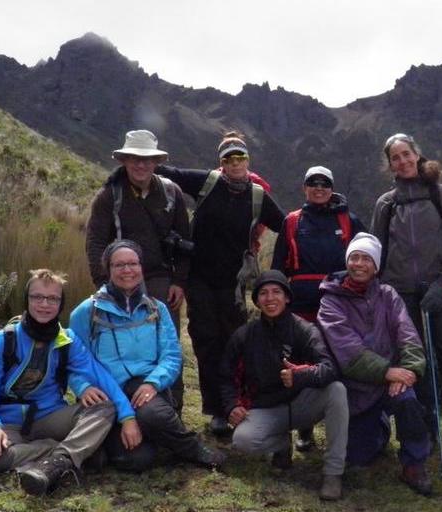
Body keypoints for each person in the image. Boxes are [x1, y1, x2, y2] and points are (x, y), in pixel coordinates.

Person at [156, 131, 285, 435]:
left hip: (234, 286)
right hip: (199, 280)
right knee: (205, 343)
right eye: (229, 157)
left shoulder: (257, 195)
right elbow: (167, 173)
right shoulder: (207, 182)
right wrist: (137, 162)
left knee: (234, 345)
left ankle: (235, 405)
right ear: (221, 162)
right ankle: (215, 410)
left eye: (240, 156)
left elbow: (288, 225)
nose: (235, 162)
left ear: (248, 160)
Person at [0, 269, 138, 495]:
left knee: (105, 407)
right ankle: (59, 451)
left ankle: (58, 461)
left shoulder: (67, 341)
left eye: (52, 298)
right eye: (37, 297)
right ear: (27, 299)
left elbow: (101, 377)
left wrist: (128, 416)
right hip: (7, 422)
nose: (44, 304)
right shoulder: (3, 340)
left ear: (61, 304)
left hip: (50, 417)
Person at [70, 240, 225, 472]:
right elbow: (73, 360)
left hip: (146, 389)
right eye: (119, 265)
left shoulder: (157, 309)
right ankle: (127, 438)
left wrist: (154, 383)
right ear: (108, 269)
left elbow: (172, 356)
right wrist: (82, 387)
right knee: (136, 460)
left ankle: (192, 448)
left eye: (133, 263)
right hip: (107, 392)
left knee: (153, 416)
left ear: (141, 267)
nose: (127, 270)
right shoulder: (86, 312)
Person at [370, 133, 442, 448]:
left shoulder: (440, 194)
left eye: (406, 154)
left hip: (439, 291)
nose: (402, 161)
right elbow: (378, 253)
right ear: (389, 165)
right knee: (417, 363)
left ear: (417, 154)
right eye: (395, 158)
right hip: (401, 296)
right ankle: (426, 434)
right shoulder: (386, 204)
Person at [318, 233, 433, 496]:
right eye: (354, 257)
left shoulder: (387, 295)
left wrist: (411, 371)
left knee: (408, 401)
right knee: (359, 456)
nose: (359, 264)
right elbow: (349, 353)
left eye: (366, 259)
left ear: (376, 266)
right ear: (347, 261)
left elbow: (407, 333)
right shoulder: (330, 301)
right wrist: (388, 372)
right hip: (356, 389)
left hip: (392, 383)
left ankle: (414, 464)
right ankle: (379, 427)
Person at [85, 129, 190, 412]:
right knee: (119, 345)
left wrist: (179, 281)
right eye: (134, 159)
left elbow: (184, 242)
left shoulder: (172, 193)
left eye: (146, 159)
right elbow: (95, 241)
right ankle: (120, 409)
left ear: (156, 162)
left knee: (167, 346)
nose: (140, 165)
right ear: (124, 161)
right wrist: (102, 282)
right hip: (119, 281)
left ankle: (172, 411)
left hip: (159, 280)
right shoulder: (109, 196)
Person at [219, 270, 347, 501]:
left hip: (302, 405)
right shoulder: (244, 335)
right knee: (243, 440)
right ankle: (281, 443)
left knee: (337, 390)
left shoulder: (304, 329)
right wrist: (231, 405)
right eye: (264, 293)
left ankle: (333, 472)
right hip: (265, 408)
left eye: (277, 292)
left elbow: (330, 369)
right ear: (256, 300)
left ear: (287, 297)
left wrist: (300, 376)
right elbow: (226, 375)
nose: (270, 298)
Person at [271, 165, 365, 451]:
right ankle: (304, 427)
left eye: (325, 183)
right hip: (301, 305)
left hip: (340, 304)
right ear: (304, 188)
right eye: (313, 183)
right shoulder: (291, 222)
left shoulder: (350, 220)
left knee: (344, 361)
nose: (319, 188)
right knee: (302, 361)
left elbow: (365, 262)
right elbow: (278, 267)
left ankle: (351, 426)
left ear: (332, 188)